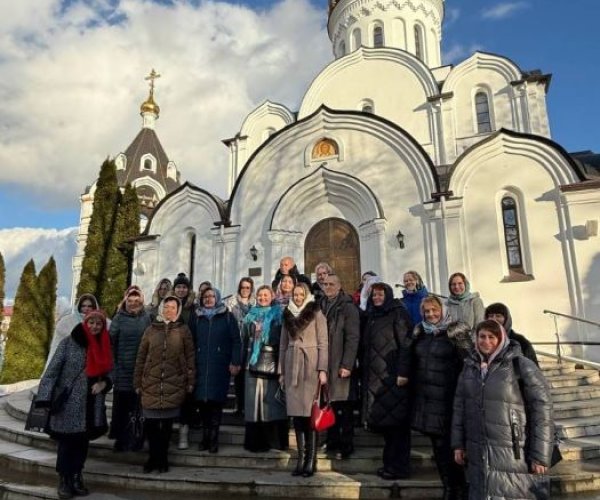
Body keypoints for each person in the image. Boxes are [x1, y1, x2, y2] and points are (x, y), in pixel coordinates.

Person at [452, 320, 553, 499]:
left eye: (492, 337)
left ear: (502, 338)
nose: (486, 341)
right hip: (479, 450)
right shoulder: (470, 367)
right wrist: (458, 444)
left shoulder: (520, 365)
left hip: (514, 450)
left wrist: (540, 455)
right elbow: (460, 407)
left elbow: (542, 410)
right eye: (482, 337)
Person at [37, 310, 113, 499]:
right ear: (85, 323)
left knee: (82, 442)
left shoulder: (104, 345)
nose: (95, 327)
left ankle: (77, 476)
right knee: (66, 443)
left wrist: (104, 383)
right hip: (70, 403)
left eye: (99, 324)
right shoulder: (68, 344)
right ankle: (64, 479)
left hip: (92, 403)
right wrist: (45, 397)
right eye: (92, 323)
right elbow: (51, 372)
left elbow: (112, 371)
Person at [411, 295, 471, 500]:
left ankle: (461, 488)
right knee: (438, 448)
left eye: (434, 310)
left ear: (442, 310)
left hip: (449, 400)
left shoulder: (455, 333)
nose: (431, 314)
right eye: (427, 311)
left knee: (454, 446)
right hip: (428, 401)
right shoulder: (420, 333)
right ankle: (448, 487)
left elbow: (467, 363)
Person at [134, 296, 195, 473]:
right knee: (152, 426)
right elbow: (141, 356)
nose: (169, 310)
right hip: (151, 382)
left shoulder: (183, 330)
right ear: (161, 308)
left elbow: (190, 357)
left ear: (178, 310)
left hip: (173, 383)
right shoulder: (151, 330)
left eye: (173, 307)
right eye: (166, 307)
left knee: (166, 427)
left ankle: (162, 459)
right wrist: (137, 381)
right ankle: (153, 458)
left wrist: (190, 381)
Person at [362, 283, 413, 480]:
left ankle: (399, 467)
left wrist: (403, 372)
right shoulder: (373, 316)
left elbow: (406, 345)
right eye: (373, 294)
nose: (376, 297)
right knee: (387, 426)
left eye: (380, 294)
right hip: (377, 379)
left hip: (393, 377)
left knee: (397, 426)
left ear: (388, 295)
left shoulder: (397, 314)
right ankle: (390, 465)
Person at [279, 283, 328, 477]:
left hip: (310, 367)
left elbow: (323, 343)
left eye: (301, 294)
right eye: (295, 294)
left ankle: (311, 460)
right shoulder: (287, 314)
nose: (298, 297)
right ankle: (300, 459)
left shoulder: (316, 313)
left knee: (309, 416)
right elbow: (283, 344)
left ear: (306, 295)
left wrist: (322, 369)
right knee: (297, 417)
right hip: (292, 367)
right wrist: (281, 370)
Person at [189, 287, 242, 453]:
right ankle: (205, 437)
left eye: (212, 296)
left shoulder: (227, 316)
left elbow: (236, 341)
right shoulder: (196, 318)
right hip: (201, 365)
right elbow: (190, 341)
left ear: (217, 298)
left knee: (216, 403)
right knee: (202, 404)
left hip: (219, 366)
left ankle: (213, 439)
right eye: (205, 296)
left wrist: (235, 361)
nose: (209, 299)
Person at [242, 285, 288, 452]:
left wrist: (265, 334)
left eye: (266, 295)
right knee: (254, 402)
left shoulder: (278, 314)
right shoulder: (250, 314)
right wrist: (253, 330)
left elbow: (282, 337)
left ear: (272, 296)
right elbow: (244, 336)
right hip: (252, 362)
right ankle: (255, 442)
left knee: (271, 402)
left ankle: (275, 441)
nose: (262, 298)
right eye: (260, 295)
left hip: (271, 360)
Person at [319, 274, 360, 459]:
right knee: (330, 404)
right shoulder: (321, 305)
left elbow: (353, 337)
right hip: (325, 364)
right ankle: (332, 440)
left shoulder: (348, 307)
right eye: (325, 284)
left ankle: (346, 445)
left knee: (344, 407)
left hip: (340, 364)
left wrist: (347, 364)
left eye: (331, 284)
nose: (327, 287)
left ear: (339, 286)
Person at [109, 287, 151, 451]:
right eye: (130, 301)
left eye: (137, 301)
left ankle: (137, 437)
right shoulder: (119, 318)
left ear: (141, 302)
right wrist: (114, 366)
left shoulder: (147, 318)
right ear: (125, 301)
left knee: (138, 407)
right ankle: (121, 438)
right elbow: (111, 342)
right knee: (122, 406)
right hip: (123, 369)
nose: (133, 304)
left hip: (141, 369)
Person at [225, 277, 256, 416]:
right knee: (238, 376)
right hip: (237, 343)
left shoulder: (255, 305)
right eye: (243, 287)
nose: (245, 290)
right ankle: (239, 405)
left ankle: (248, 405)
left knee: (249, 376)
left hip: (251, 344)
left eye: (248, 287)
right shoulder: (232, 303)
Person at [45, 294, 100, 367]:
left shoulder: (101, 322)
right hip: (69, 363)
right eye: (83, 306)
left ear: (94, 307)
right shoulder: (67, 321)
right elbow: (57, 345)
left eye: (89, 306)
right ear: (79, 307)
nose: (86, 308)